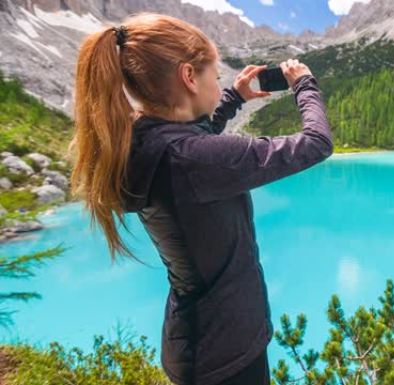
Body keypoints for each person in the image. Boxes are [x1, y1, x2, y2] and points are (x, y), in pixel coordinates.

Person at [67, 12, 333, 385]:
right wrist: (305, 84)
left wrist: (232, 99)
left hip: (194, 343)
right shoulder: (191, 159)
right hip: (227, 352)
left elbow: (191, 143)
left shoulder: (142, 144)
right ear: (189, 77)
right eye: (216, 75)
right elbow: (316, 144)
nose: (220, 81)